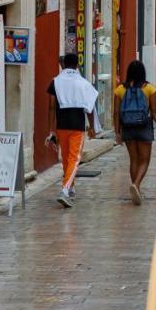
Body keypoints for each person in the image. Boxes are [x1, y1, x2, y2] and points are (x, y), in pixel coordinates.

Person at [46, 52, 98, 208]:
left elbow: (51, 107)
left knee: (67, 158)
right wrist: (92, 127)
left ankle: (71, 187)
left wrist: (51, 130)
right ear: (77, 65)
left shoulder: (55, 82)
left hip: (61, 126)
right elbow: (89, 107)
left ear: (63, 64)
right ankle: (65, 190)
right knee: (75, 159)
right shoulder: (84, 83)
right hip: (77, 126)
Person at [113, 59, 156, 205]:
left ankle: (136, 188)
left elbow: (116, 113)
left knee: (134, 160)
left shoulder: (120, 90)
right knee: (145, 160)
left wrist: (117, 132)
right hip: (143, 126)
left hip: (127, 128)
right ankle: (136, 185)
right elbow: (154, 110)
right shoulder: (150, 89)